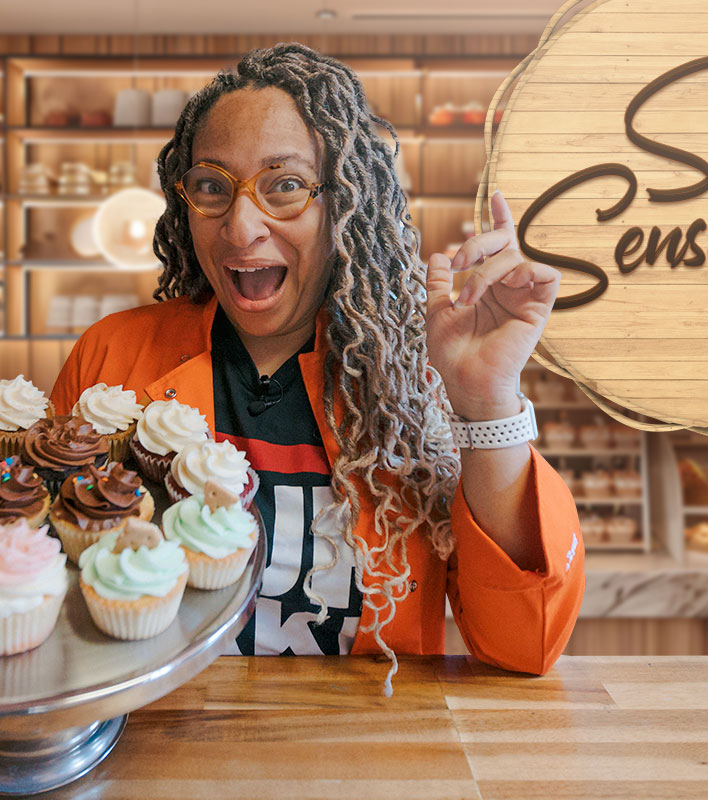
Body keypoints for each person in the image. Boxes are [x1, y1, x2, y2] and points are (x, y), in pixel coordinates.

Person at [51, 42, 584, 694]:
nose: (241, 227)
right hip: (161, 749)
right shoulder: (111, 361)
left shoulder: (421, 374)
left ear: (347, 203)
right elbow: (43, 595)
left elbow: (523, 642)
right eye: (212, 187)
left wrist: (488, 398)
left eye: (285, 186)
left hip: (366, 754)